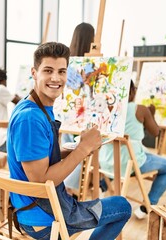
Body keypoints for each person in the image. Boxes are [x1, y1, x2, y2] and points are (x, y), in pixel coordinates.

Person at [7, 42, 131, 239]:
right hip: (42, 218)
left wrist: (72, 149)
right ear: (34, 72)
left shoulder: (34, 107)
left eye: (61, 71)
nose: (56, 78)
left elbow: (39, 159)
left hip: (35, 209)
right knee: (122, 207)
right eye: (48, 70)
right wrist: (82, 150)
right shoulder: (30, 118)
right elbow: (41, 183)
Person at [99, 80, 166, 219]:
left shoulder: (105, 108)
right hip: (130, 163)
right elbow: (156, 132)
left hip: (106, 161)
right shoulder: (140, 109)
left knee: (122, 160)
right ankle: (147, 206)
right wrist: (151, 114)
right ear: (133, 91)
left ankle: (102, 185)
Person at [63, 22, 95, 193]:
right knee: (80, 152)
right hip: (83, 116)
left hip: (65, 114)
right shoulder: (90, 64)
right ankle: (69, 190)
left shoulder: (66, 62)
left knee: (67, 150)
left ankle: (64, 188)